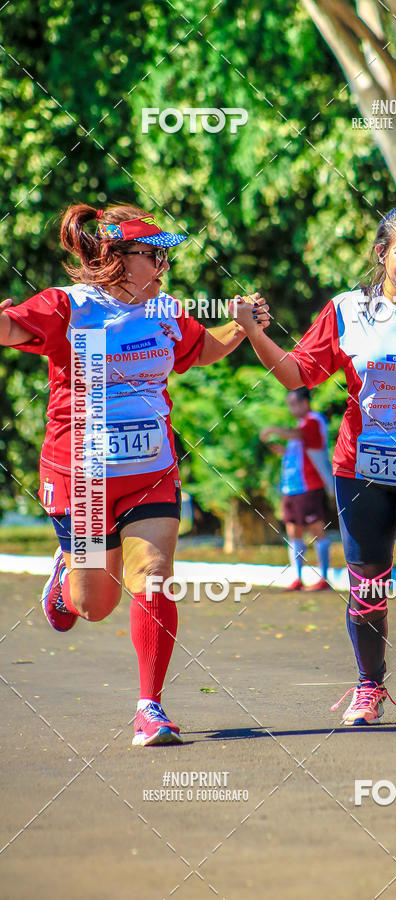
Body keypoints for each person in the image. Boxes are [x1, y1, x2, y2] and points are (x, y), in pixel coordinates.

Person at [0, 203, 268, 746]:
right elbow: (10, 328)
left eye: (163, 256)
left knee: (155, 575)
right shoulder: (67, 307)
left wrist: (240, 329)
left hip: (152, 470)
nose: (162, 266)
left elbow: (201, 347)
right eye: (152, 255)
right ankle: (65, 575)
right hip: (85, 479)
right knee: (92, 606)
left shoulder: (166, 310)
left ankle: (151, 707)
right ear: (116, 259)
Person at [231, 204, 396, 726]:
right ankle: (369, 688)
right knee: (366, 587)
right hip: (359, 468)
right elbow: (297, 375)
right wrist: (255, 334)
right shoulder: (346, 312)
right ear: (381, 253)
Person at [260, 386, 333, 591]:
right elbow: (299, 447)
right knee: (293, 531)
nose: (291, 409)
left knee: (317, 529)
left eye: (294, 404)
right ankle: (298, 577)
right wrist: (282, 450)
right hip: (291, 487)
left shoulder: (314, 420)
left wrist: (273, 430)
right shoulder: (302, 424)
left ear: (305, 403)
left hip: (309, 485)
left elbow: (299, 435)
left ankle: (323, 577)